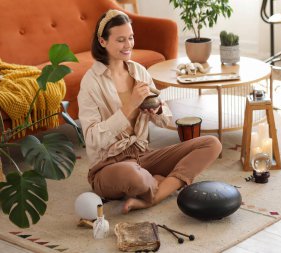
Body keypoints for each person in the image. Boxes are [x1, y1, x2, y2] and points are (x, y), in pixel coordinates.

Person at [78, 9, 222, 213]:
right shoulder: (91, 83)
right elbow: (92, 139)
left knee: (211, 144)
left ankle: (153, 196)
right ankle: (159, 184)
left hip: (143, 156)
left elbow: (166, 120)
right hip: (108, 166)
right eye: (120, 40)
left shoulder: (138, 71)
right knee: (134, 177)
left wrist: (157, 110)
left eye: (130, 38)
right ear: (103, 42)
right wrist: (130, 105)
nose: (128, 45)